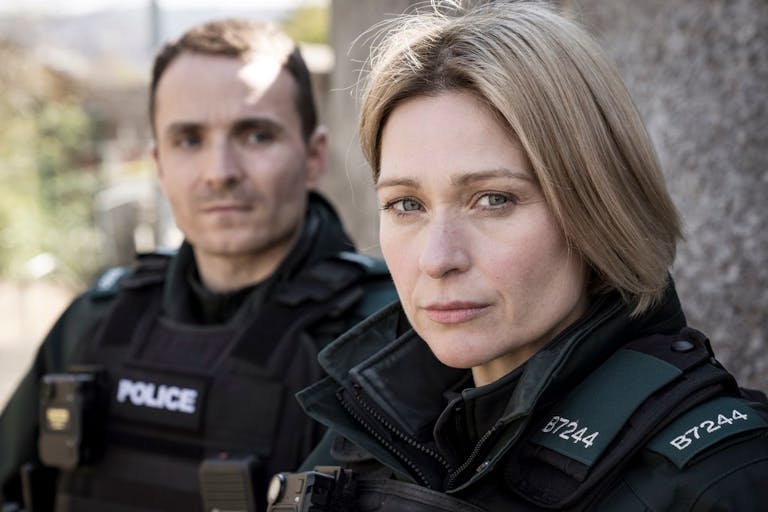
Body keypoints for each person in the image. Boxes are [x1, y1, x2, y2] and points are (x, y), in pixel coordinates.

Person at [266, 2, 768, 511]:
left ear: (599, 206)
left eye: (494, 200)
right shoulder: (365, 430)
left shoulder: (722, 480)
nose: (437, 259)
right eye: (406, 204)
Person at [0, 18, 396, 512]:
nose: (220, 172)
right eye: (189, 139)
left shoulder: (383, 336)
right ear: (159, 163)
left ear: (314, 155)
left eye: (255, 135)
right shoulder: (93, 321)